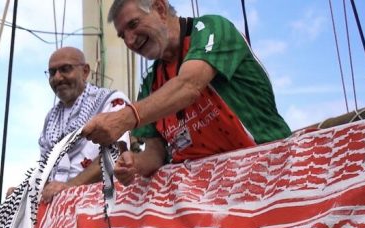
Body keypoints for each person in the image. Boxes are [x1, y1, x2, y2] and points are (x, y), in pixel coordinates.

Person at [82, 0, 291, 185]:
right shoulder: (149, 82)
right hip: (202, 189)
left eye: (133, 24)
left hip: (267, 169)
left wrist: (125, 118)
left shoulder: (210, 29)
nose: (129, 41)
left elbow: (189, 86)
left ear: (160, 8)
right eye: (122, 36)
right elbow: (156, 153)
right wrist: (132, 165)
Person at [37, 47, 131, 204]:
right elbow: (44, 168)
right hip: (56, 205)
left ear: (85, 71)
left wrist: (70, 187)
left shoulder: (110, 101)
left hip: (101, 203)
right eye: (52, 72)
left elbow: (115, 153)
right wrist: (28, 191)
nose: (58, 78)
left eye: (65, 69)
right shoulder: (51, 118)